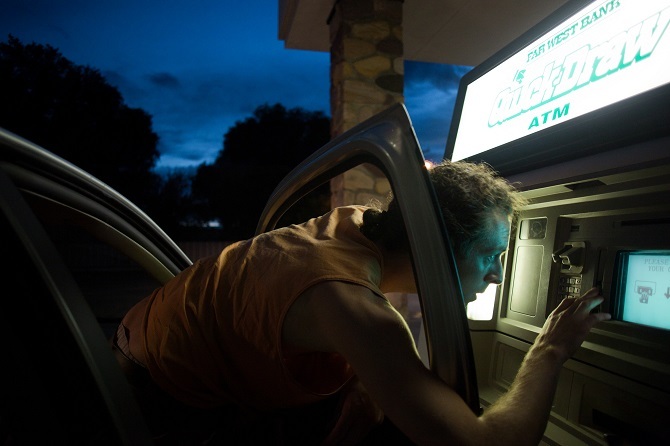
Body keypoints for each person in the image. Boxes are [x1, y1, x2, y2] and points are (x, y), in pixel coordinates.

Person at [112, 160, 610, 445]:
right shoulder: (354, 306)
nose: (498, 274)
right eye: (489, 254)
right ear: (434, 246)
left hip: (140, 337)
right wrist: (549, 350)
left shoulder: (353, 222)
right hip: (157, 399)